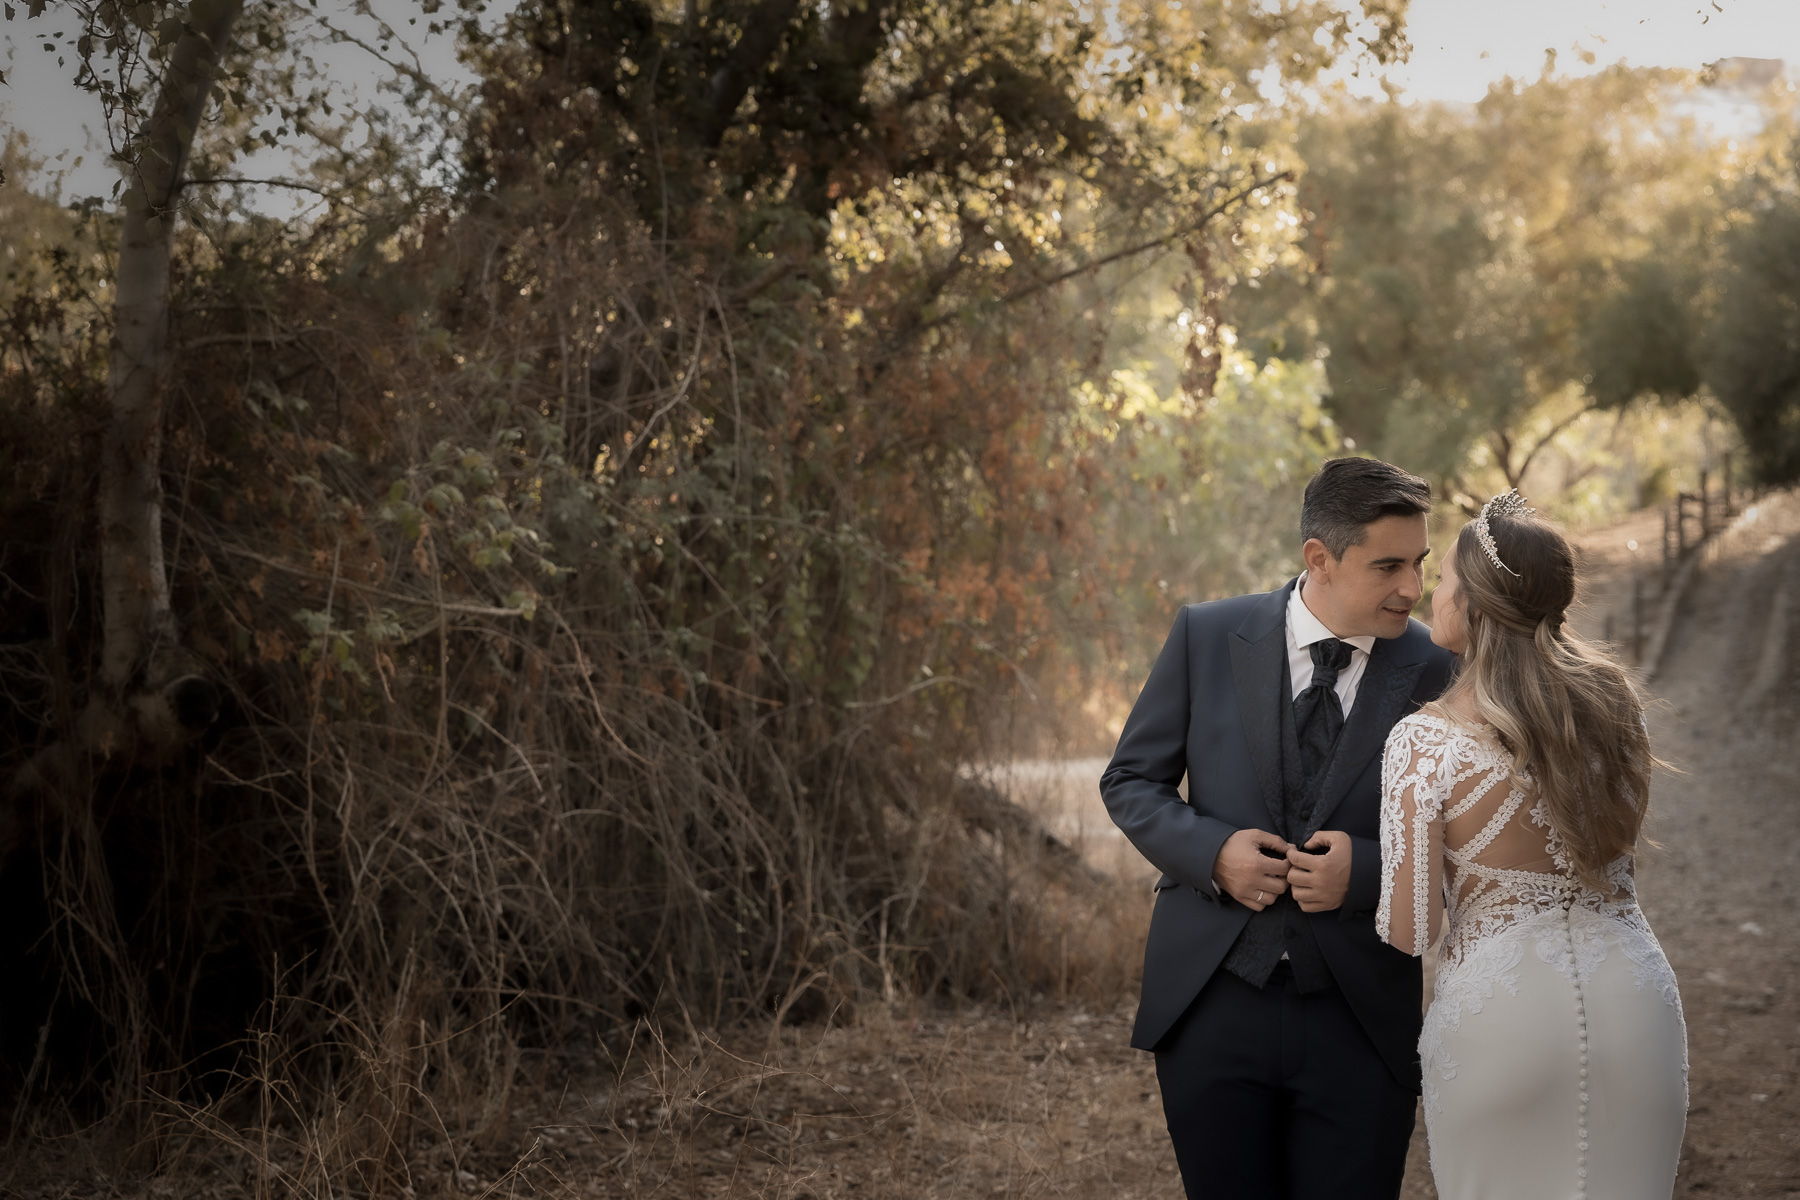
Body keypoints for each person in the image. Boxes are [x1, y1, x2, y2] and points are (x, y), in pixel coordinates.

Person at [1101, 457, 1457, 1199]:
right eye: (1388, 565)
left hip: (1359, 1015)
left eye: (1419, 563)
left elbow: (1477, 833)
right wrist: (1213, 851)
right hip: (1210, 1006)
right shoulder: (1208, 635)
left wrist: (1365, 872)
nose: (1411, 588)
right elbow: (1131, 780)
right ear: (1318, 559)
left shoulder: (1438, 669)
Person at [1377, 491, 1688, 1200]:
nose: (1433, 592)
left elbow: (1410, 930)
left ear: (1478, 607)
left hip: (1500, 1018)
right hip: (1636, 999)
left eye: (1446, 581)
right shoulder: (1616, 709)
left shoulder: (1425, 741)